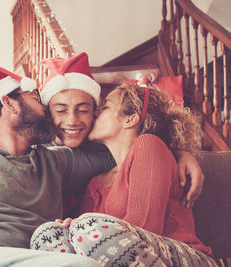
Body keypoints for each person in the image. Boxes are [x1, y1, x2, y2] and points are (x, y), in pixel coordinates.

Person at [0, 61, 116, 267]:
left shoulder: (53, 161)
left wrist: (78, 128)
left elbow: (110, 154)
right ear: (9, 104)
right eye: (35, 97)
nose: (46, 108)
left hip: (35, 256)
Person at [30, 81, 217, 266]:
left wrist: (85, 229)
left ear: (130, 119)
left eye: (105, 108)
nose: (96, 114)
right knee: (49, 236)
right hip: (123, 258)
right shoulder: (96, 182)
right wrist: (73, 229)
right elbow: (85, 240)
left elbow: (145, 227)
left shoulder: (149, 145)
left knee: (85, 227)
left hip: (184, 257)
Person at [39, 52, 205, 209]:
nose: (72, 121)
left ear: (94, 113)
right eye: (61, 111)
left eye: (83, 110)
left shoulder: (106, 151)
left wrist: (180, 153)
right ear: (47, 114)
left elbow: (144, 151)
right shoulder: (36, 150)